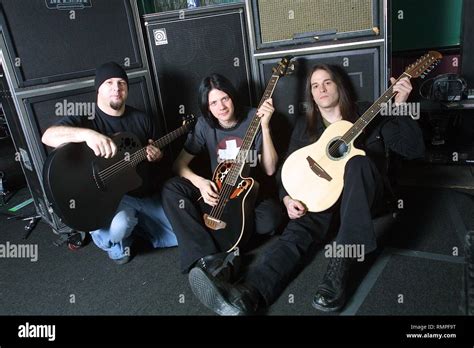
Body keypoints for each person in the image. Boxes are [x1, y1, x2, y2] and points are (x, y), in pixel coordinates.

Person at [188, 64, 425, 315]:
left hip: (364, 200)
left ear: (339, 86)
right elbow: (285, 168)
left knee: (358, 162)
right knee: (295, 236)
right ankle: (248, 295)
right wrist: (287, 198)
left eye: (327, 82)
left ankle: (339, 268)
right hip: (321, 199)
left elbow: (414, 150)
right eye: (314, 85)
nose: (321, 89)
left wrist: (400, 105)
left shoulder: (369, 112)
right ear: (311, 94)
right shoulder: (305, 126)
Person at [42, 62, 177, 264]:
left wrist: (157, 156)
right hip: (106, 199)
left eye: (122, 82)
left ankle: (138, 228)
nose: (117, 88)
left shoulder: (142, 119)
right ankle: (113, 241)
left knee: (178, 234)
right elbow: (48, 137)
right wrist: (87, 135)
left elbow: (159, 157)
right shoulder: (85, 118)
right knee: (121, 225)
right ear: (99, 89)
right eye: (109, 82)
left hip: (141, 192)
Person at [161, 73, 283, 290]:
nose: (221, 107)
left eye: (224, 98)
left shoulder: (255, 117)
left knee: (271, 219)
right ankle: (207, 257)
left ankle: (209, 240)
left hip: (247, 195)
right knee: (171, 188)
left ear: (232, 97)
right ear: (207, 107)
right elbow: (178, 165)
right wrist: (200, 182)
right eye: (213, 103)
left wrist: (265, 127)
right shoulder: (203, 125)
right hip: (216, 191)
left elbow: (270, 168)